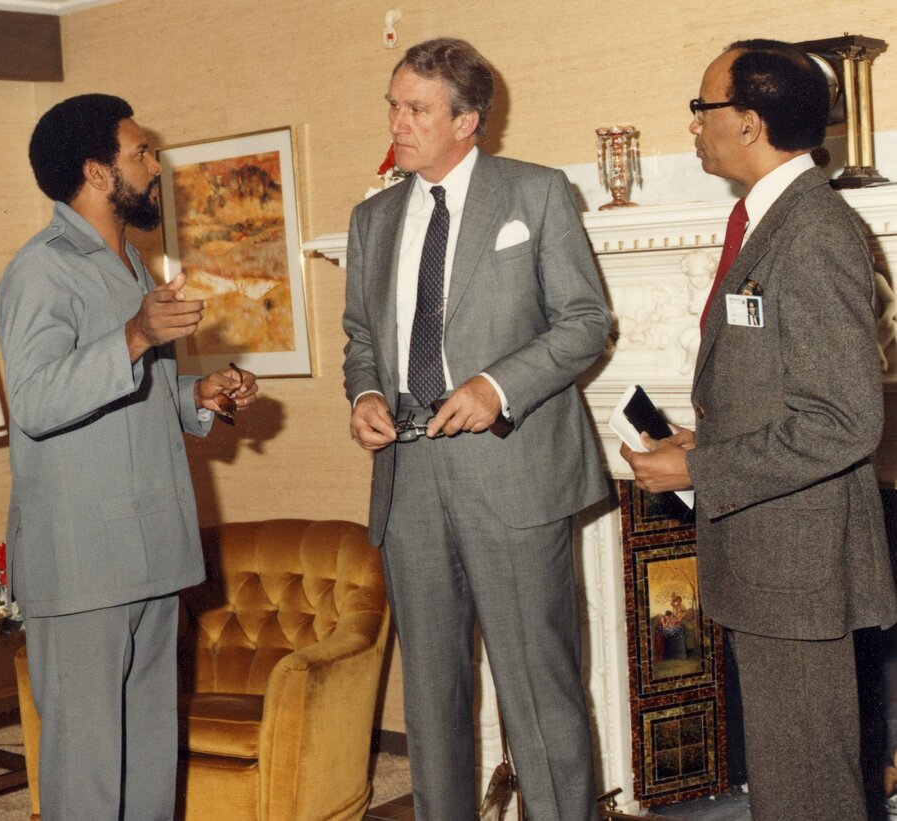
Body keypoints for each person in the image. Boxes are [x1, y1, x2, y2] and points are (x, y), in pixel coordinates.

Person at [621, 40, 897, 820]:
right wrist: (695, 444)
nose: (693, 126)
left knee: (808, 788)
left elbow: (844, 420)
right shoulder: (767, 221)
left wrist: (701, 472)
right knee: (786, 783)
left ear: (746, 123)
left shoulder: (812, 233)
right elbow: (780, 392)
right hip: (771, 562)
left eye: (701, 109)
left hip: (798, 569)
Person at [342, 37, 611, 820]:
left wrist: (498, 387)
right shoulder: (371, 219)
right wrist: (364, 395)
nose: (398, 121)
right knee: (430, 697)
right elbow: (363, 336)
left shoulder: (534, 194)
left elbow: (585, 321)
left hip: (515, 474)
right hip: (410, 477)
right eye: (394, 104)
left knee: (538, 690)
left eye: (416, 108)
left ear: (468, 121)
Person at [0, 93, 258, 820]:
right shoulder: (40, 272)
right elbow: (40, 401)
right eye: (140, 152)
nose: (153, 162)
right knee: (87, 774)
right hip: (82, 564)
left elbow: (133, 392)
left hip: (150, 552)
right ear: (94, 171)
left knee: (147, 762)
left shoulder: (130, 263)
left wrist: (198, 392)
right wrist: (137, 338)